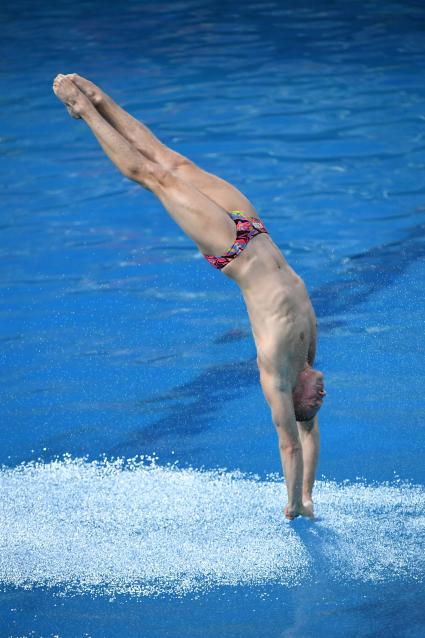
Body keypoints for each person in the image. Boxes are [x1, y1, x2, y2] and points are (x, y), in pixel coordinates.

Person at [52, 73, 326, 520]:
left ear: (296, 395)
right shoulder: (308, 357)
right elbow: (310, 437)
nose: (322, 398)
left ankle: (85, 112)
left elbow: (290, 442)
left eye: (314, 402)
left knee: (154, 175)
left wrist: (294, 506)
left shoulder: (277, 369)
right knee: (173, 161)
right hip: (254, 229)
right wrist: (312, 495)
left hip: (231, 248)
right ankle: (101, 97)